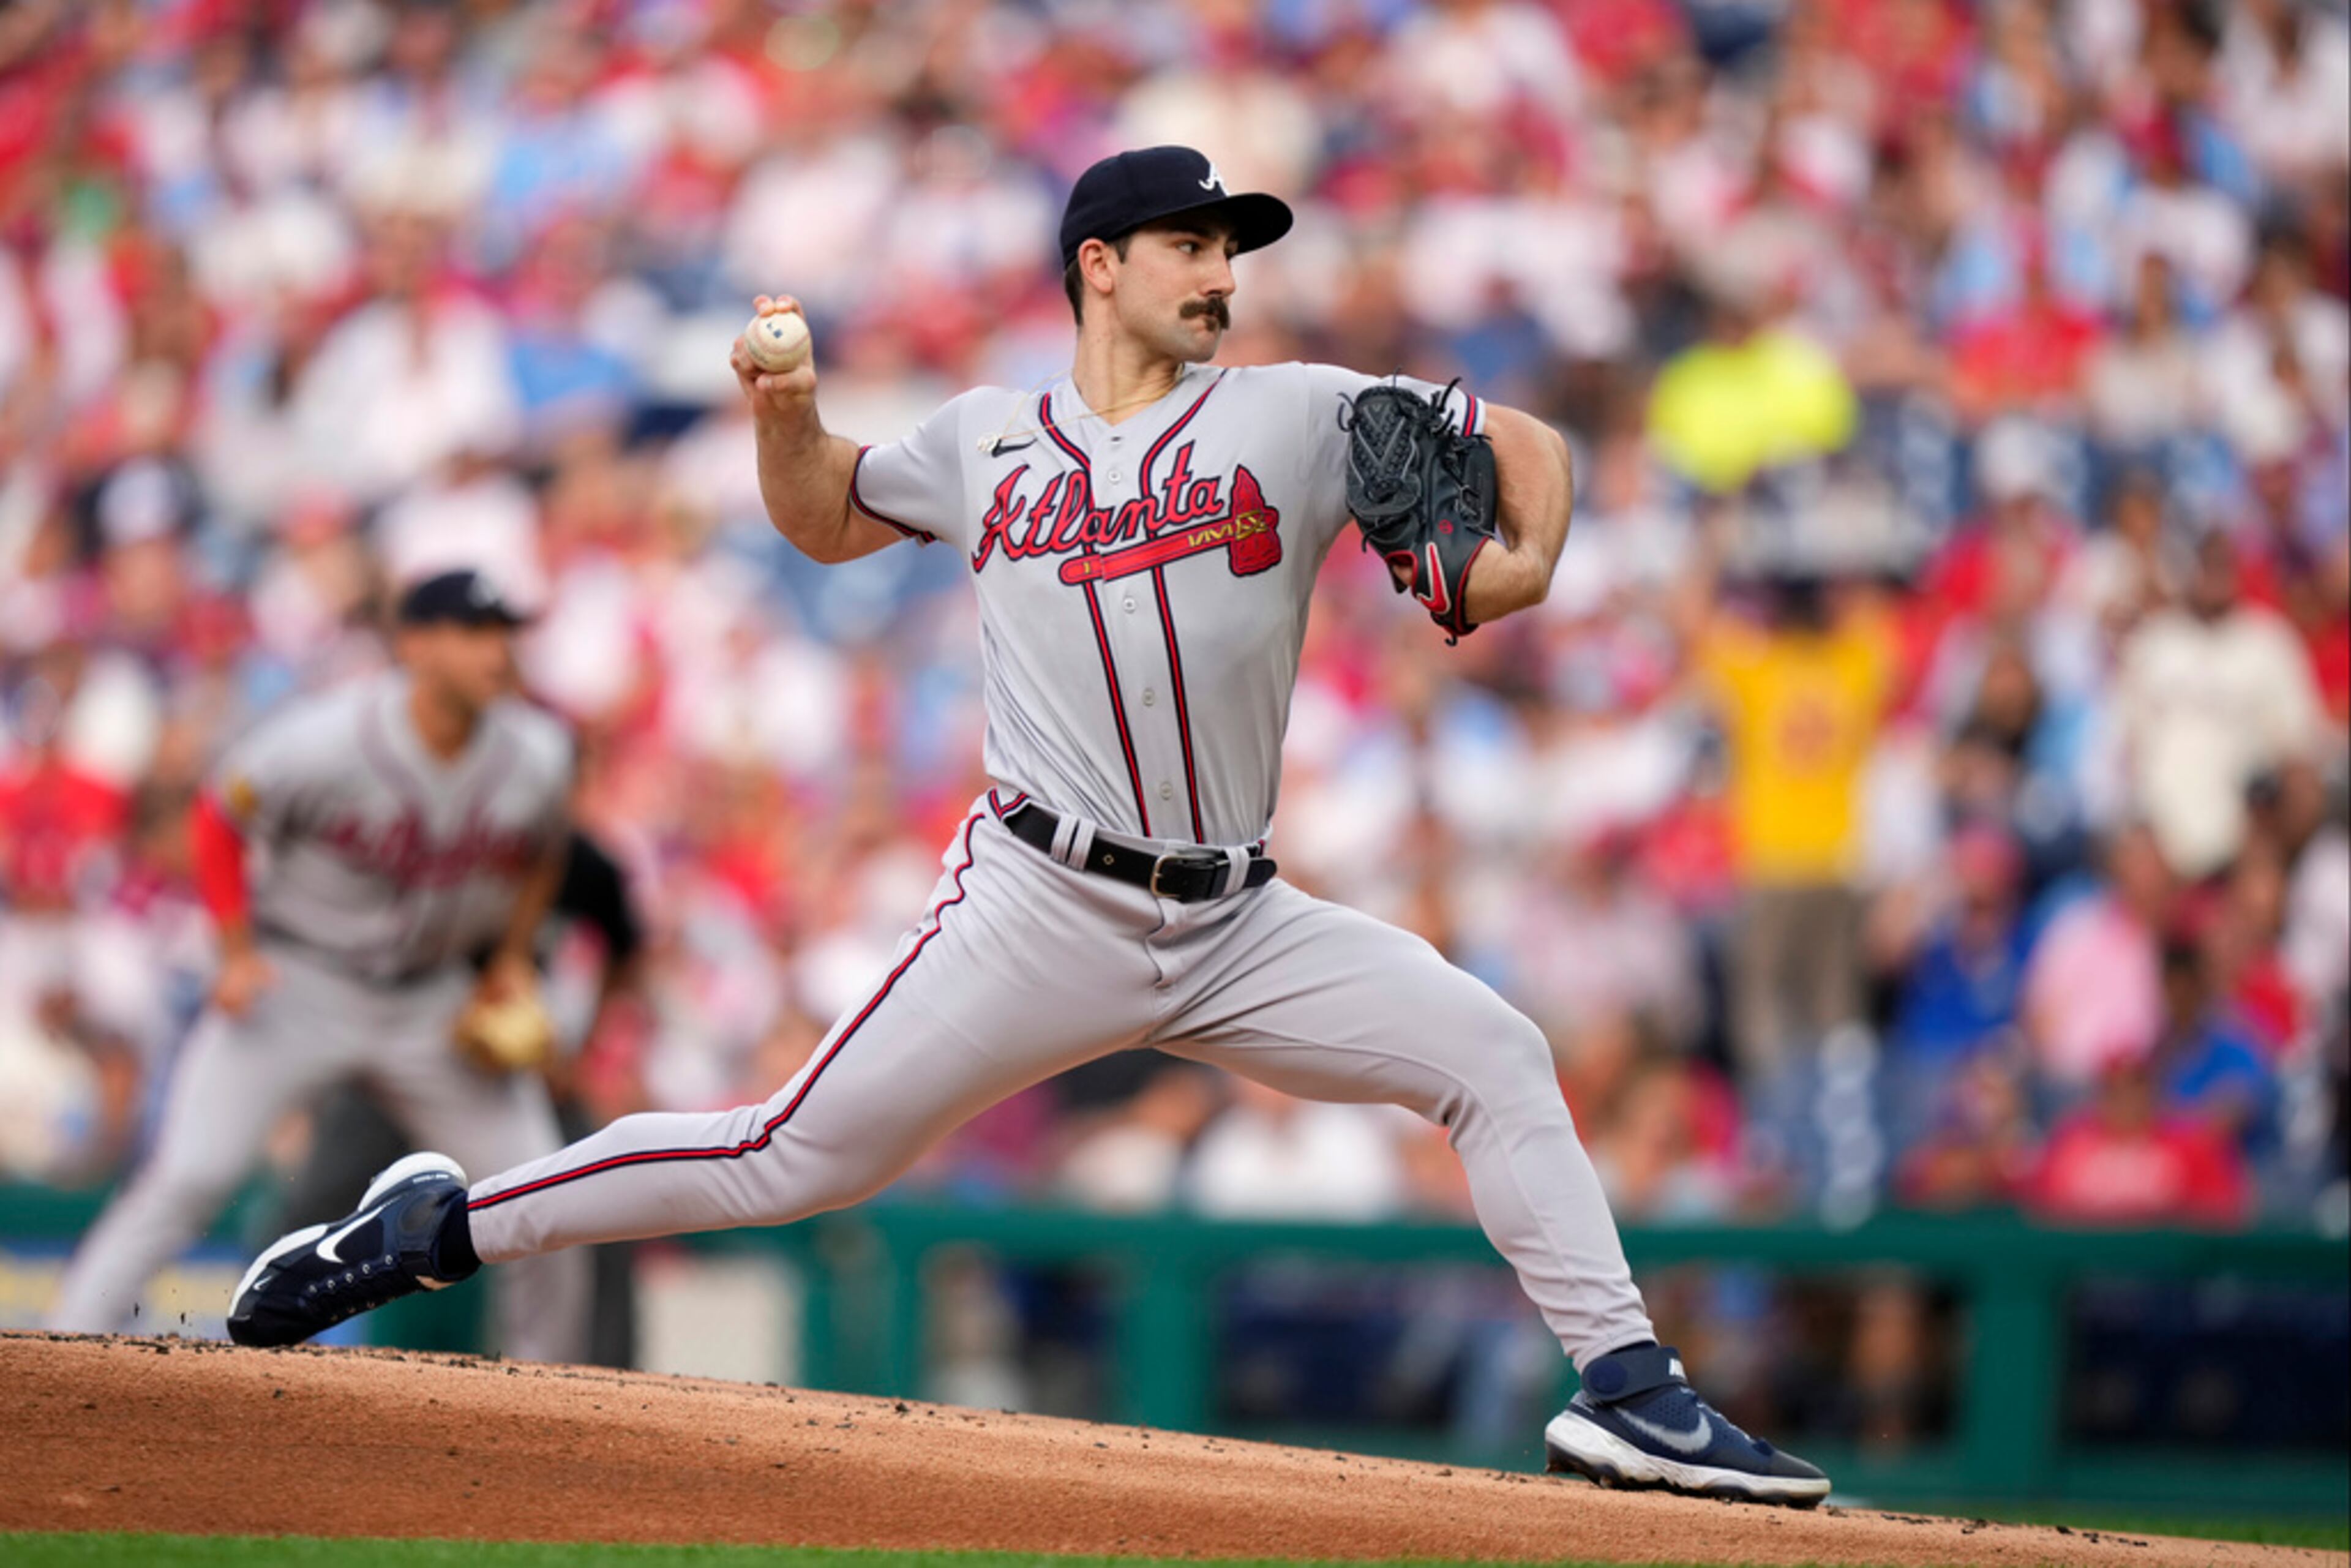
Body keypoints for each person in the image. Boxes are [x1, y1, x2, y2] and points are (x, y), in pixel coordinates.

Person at [226, 147, 1829, 1506]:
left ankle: (1627, 1387)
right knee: (784, 1155)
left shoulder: (1294, 412)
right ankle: (429, 1229)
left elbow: (1521, 444)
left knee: (1495, 1053)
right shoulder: (986, 440)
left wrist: (1531, 548)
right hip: (1037, 907)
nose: (1220, 276)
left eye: (1232, 252)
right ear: (1101, 266)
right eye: (1192, 248)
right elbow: (823, 512)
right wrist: (784, 413)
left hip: (1239, 921)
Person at [49, 570, 590, 1364]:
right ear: (414, 644)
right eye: (475, 631)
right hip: (302, 982)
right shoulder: (329, 737)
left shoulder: (535, 751)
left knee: (543, 1196)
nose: (498, 650)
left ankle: (556, 1397)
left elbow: (548, 846)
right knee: (190, 1176)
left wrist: (510, 956)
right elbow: (220, 813)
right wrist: (234, 950)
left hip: (432, 1003)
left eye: (504, 631)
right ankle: (59, 1354)